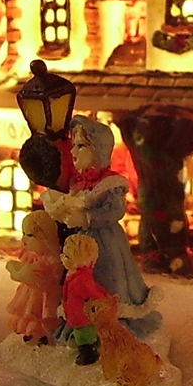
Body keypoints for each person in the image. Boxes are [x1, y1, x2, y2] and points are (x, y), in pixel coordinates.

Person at [41, 117, 158, 332]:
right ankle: (81, 323)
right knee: (77, 282)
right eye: (74, 145)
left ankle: (115, 322)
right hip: (81, 243)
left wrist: (86, 218)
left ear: (98, 150)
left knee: (108, 278)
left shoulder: (110, 184)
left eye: (81, 146)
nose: (73, 151)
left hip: (105, 242)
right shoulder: (78, 183)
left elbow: (115, 210)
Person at [4, 211, 62, 343]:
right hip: (31, 293)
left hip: (44, 296)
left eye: (30, 235)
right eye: (24, 234)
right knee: (27, 311)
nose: (24, 240)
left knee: (40, 314)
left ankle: (40, 334)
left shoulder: (53, 260)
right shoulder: (32, 255)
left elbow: (51, 280)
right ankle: (26, 328)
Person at [58, 233, 109, 366]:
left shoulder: (81, 279)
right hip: (76, 313)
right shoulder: (75, 274)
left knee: (84, 336)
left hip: (81, 316)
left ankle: (89, 354)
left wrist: (103, 299)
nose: (62, 258)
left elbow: (94, 293)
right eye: (63, 254)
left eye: (67, 257)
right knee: (82, 335)